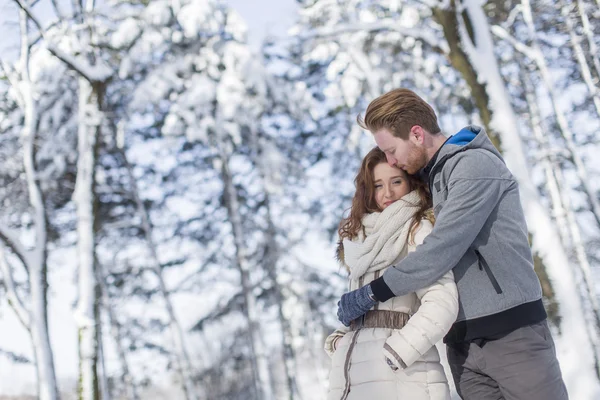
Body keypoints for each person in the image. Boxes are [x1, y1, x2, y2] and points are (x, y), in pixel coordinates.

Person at [335, 88, 568, 400]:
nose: (391, 160)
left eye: (391, 150)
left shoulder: (473, 167)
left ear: (416, 134)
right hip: (462, 345)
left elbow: (444, 245)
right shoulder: (429, 183)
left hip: (511, 335)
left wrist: (374, 292)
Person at [326, 147, 458, 400]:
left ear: (410, 181)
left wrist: (395, 352)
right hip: (355, 375)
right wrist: (340, 342)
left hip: (404, 377)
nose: (387, 193)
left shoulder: (417, 228)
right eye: (377, 185)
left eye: (396, 181)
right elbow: (363, 311)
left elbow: (442, 302)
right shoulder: (361, 238)